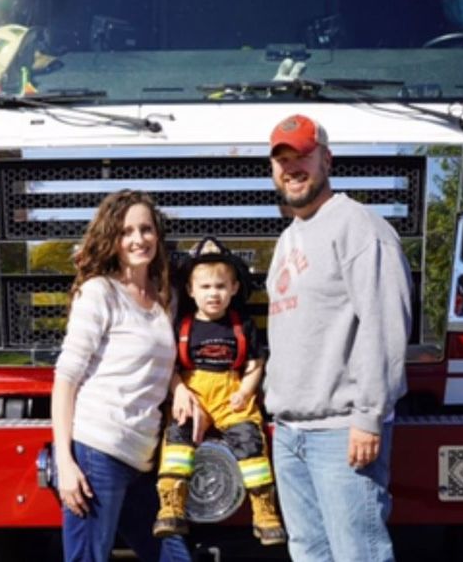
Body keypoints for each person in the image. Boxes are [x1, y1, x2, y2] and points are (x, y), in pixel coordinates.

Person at [264, 114, 412, 562]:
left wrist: (368, 417)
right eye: (282, 160)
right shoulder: (290, 238)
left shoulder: (359, 227)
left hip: (341, 431)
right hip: (290, 432)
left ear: (326, 160)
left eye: (302, 157)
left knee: (359, 553)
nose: (291, 168)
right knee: (309, 553)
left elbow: (385, 325)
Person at [51, 189, 195, 562]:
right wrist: (65, 463)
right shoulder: (99, 292)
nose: (138, 239)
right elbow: (66, 379)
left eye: (146, 229)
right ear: (111, 238)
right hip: (97, 450)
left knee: (175, 557)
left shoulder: (165, 297)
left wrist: (178, 386)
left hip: (142, 458)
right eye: (126, 231)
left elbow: (157, 361)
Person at [153, 236, 287, 546]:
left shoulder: (243, 325)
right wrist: (179, 391)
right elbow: (170, 366)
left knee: (250, 443)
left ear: (234, 288)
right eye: (205, 287)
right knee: (177, 443)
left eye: (221, 286)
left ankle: (265, 514)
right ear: (190, 290)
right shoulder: (182, 326)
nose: (213, 293)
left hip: (231, 394)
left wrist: (246, 391)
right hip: (193, 393)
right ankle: (171, 507)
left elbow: (255, 363)